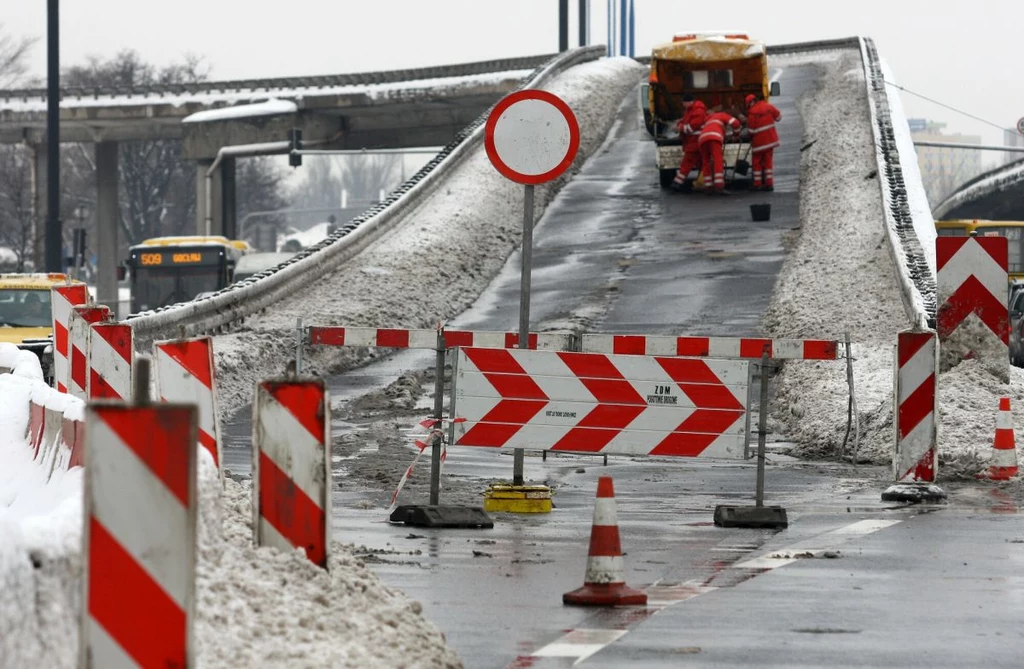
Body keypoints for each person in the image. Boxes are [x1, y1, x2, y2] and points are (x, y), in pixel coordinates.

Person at [698, 109, 742, 194]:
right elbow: (736, 123)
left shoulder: (707, 119)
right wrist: (736, 135)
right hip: (714, 137)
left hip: (702, 139)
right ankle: (719, 186)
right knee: (718, 160)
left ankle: (708, 186)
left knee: (706, 161)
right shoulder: (722, 115)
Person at [745, 93, 782, 191]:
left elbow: (751, 131)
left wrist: (749, 136)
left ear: (751, 102)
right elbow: (778, 117)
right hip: (770, 141)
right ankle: (769, 184)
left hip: (759, 144)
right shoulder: (768, 106)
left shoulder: (752, 114)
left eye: (748, 105)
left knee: (757, 163)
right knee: (768, 163)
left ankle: (757, 184)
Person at [671, 94, 707, 191]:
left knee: (687, 162)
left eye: (683, 103)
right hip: (694, 141)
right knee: (701, 163)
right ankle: (703, 181)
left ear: (688, 102)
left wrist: (679, 128)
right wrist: (680, 123)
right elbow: (686, 121)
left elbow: (691, 127)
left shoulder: (698, 111)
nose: (683, 105)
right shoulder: (691, 110)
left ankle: (677, 182)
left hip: (695, 142)